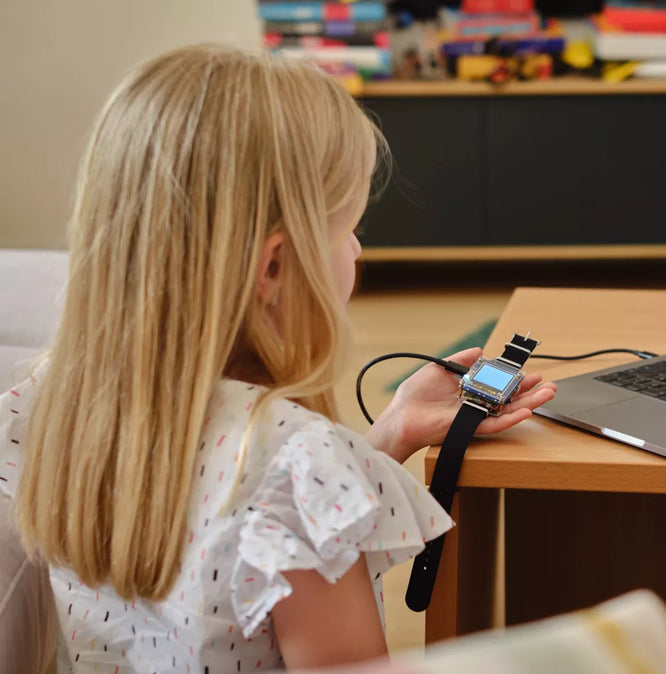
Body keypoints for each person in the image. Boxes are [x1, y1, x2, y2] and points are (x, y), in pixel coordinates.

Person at [0, 44, 556, 672]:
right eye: (349, 226)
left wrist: (390, 433)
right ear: (273, 266)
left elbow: (234, 529)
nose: (356, 250)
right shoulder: (295, 467)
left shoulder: (43, 403)